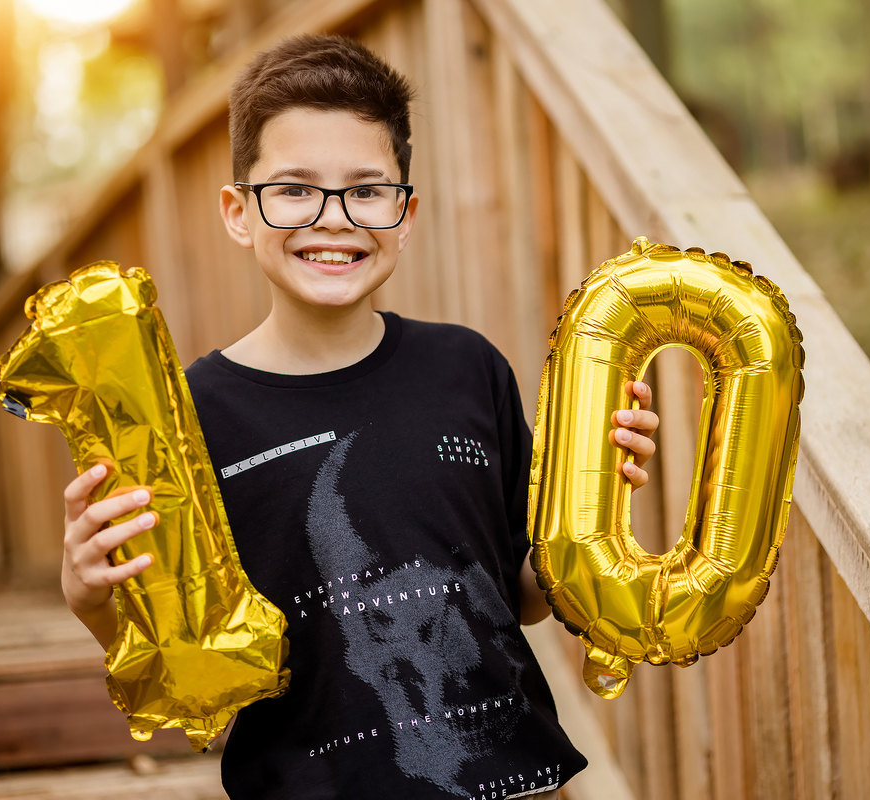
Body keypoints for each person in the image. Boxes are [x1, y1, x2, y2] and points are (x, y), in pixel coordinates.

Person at [60, 34, 659, 800]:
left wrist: (592, 507)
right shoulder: (192, 418)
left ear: (406, 215)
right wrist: (93, 601)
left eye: (367, 189)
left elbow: (521, 597)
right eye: (294, 189)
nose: (333, 218)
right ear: (238, 212)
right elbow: (186, 681)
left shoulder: (468, 369)